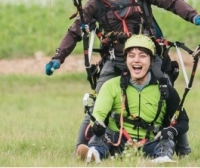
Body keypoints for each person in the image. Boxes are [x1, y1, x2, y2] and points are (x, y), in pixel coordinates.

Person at [45, 0, 200, 156]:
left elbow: (170, 1)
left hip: (146, 56)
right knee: (98, 100)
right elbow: (74, 31)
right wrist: (57, 57)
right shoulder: (95, 3)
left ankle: (182, 150)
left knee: (167, 94)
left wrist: (193, 16)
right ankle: (82, 150)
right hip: (116, 60)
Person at [76, 34, 188, 163]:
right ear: (126, 60)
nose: (136, 60)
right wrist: (97, 125)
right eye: (131, 55)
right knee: (103, 134)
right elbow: (98, 115)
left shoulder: (165, 89)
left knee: (166, 140)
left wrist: (171, 131)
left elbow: (183, 121)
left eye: (142, 56)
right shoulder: (111, 86)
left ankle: (162, 158)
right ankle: (94, 153)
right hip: (118, 142)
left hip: (150, 142)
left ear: (151, 61)